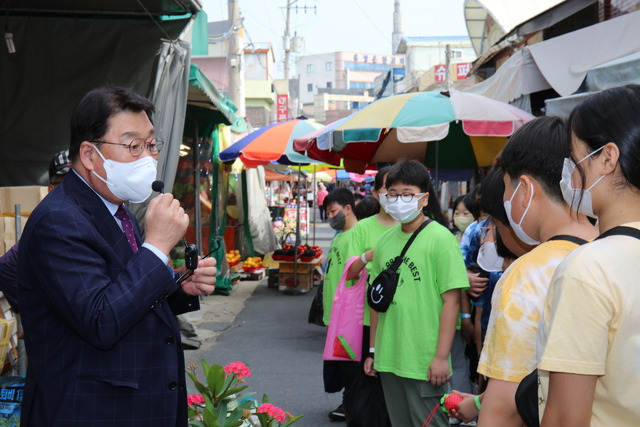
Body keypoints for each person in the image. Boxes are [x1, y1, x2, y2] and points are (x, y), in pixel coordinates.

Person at [17, 86, 217, 426]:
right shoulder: (59, 221)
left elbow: (126, 297)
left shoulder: (117, 211)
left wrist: (179, 287)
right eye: (133, 145)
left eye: (151, 145)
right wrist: (156, 248)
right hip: (92, 412)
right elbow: (101, 321)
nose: (148, 158)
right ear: (90, 155)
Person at [451, 116, 597, 426]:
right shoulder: (612, 249)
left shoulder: (526, 275)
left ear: (525, 190)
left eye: (506, 187)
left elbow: (504, 408)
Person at [537, 85, 640, 426]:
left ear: (608, 158)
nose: (568, 170)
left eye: (574, 155)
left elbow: (566, 419)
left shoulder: (590, 268)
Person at [364, 160, 469, 427]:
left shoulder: (441, 239)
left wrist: (441, 357)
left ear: (424, 198)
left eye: (408, 194)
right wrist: (374, 351)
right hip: (389, 358)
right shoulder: (384, 241)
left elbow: (451, 301)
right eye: (393, 194)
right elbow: (376, 301)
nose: (399, 200)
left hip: (424, 360)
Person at [0, 149, 71, 314]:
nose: (74, 188)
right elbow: (6, 267)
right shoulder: (50, 225)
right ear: (52, 189)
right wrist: (32, 313)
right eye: (66, 183)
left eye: (80, 181)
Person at [322, 187, 361, 421]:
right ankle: (349, 402)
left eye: (333, 211)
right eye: (327, 213)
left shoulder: (356, 235)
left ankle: (351, 404)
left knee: (348, 363)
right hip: (334, 312)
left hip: (347, 315)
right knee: (340, 362)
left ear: (348, 208)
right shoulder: (340, 236)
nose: (330, 217)